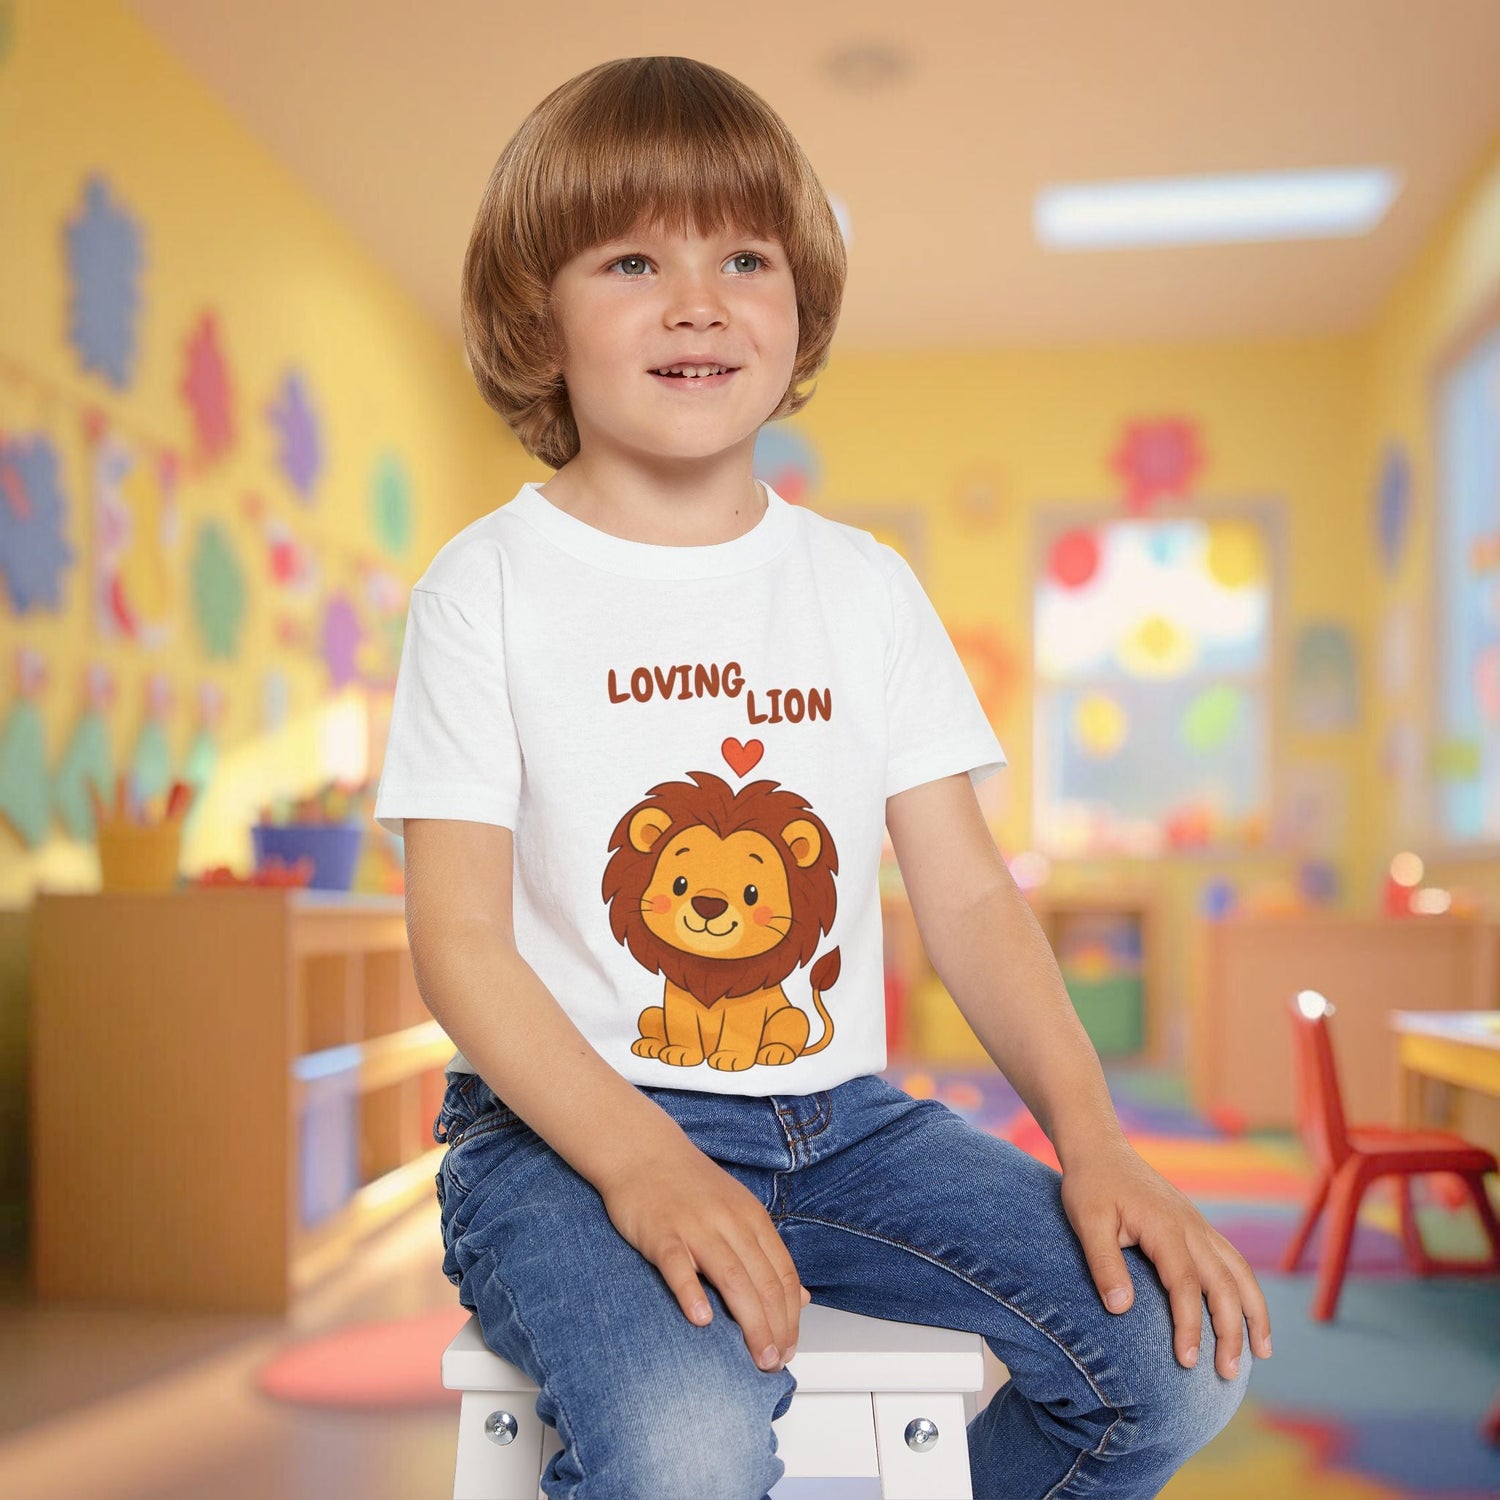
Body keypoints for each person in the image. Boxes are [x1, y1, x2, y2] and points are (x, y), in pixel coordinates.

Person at [373, 54, 1271, 1499]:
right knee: (685, 1449)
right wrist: (644, 1163)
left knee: (1177, 1364)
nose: (699, 299)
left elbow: (969, 893)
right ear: (536, 322)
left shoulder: (862, 588)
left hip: (842, 1122)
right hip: (557, 1136)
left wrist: (1092, 1140)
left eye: (745, 255)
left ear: (797, 320)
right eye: (631, 258)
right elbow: (459, 938)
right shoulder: (482, 588)